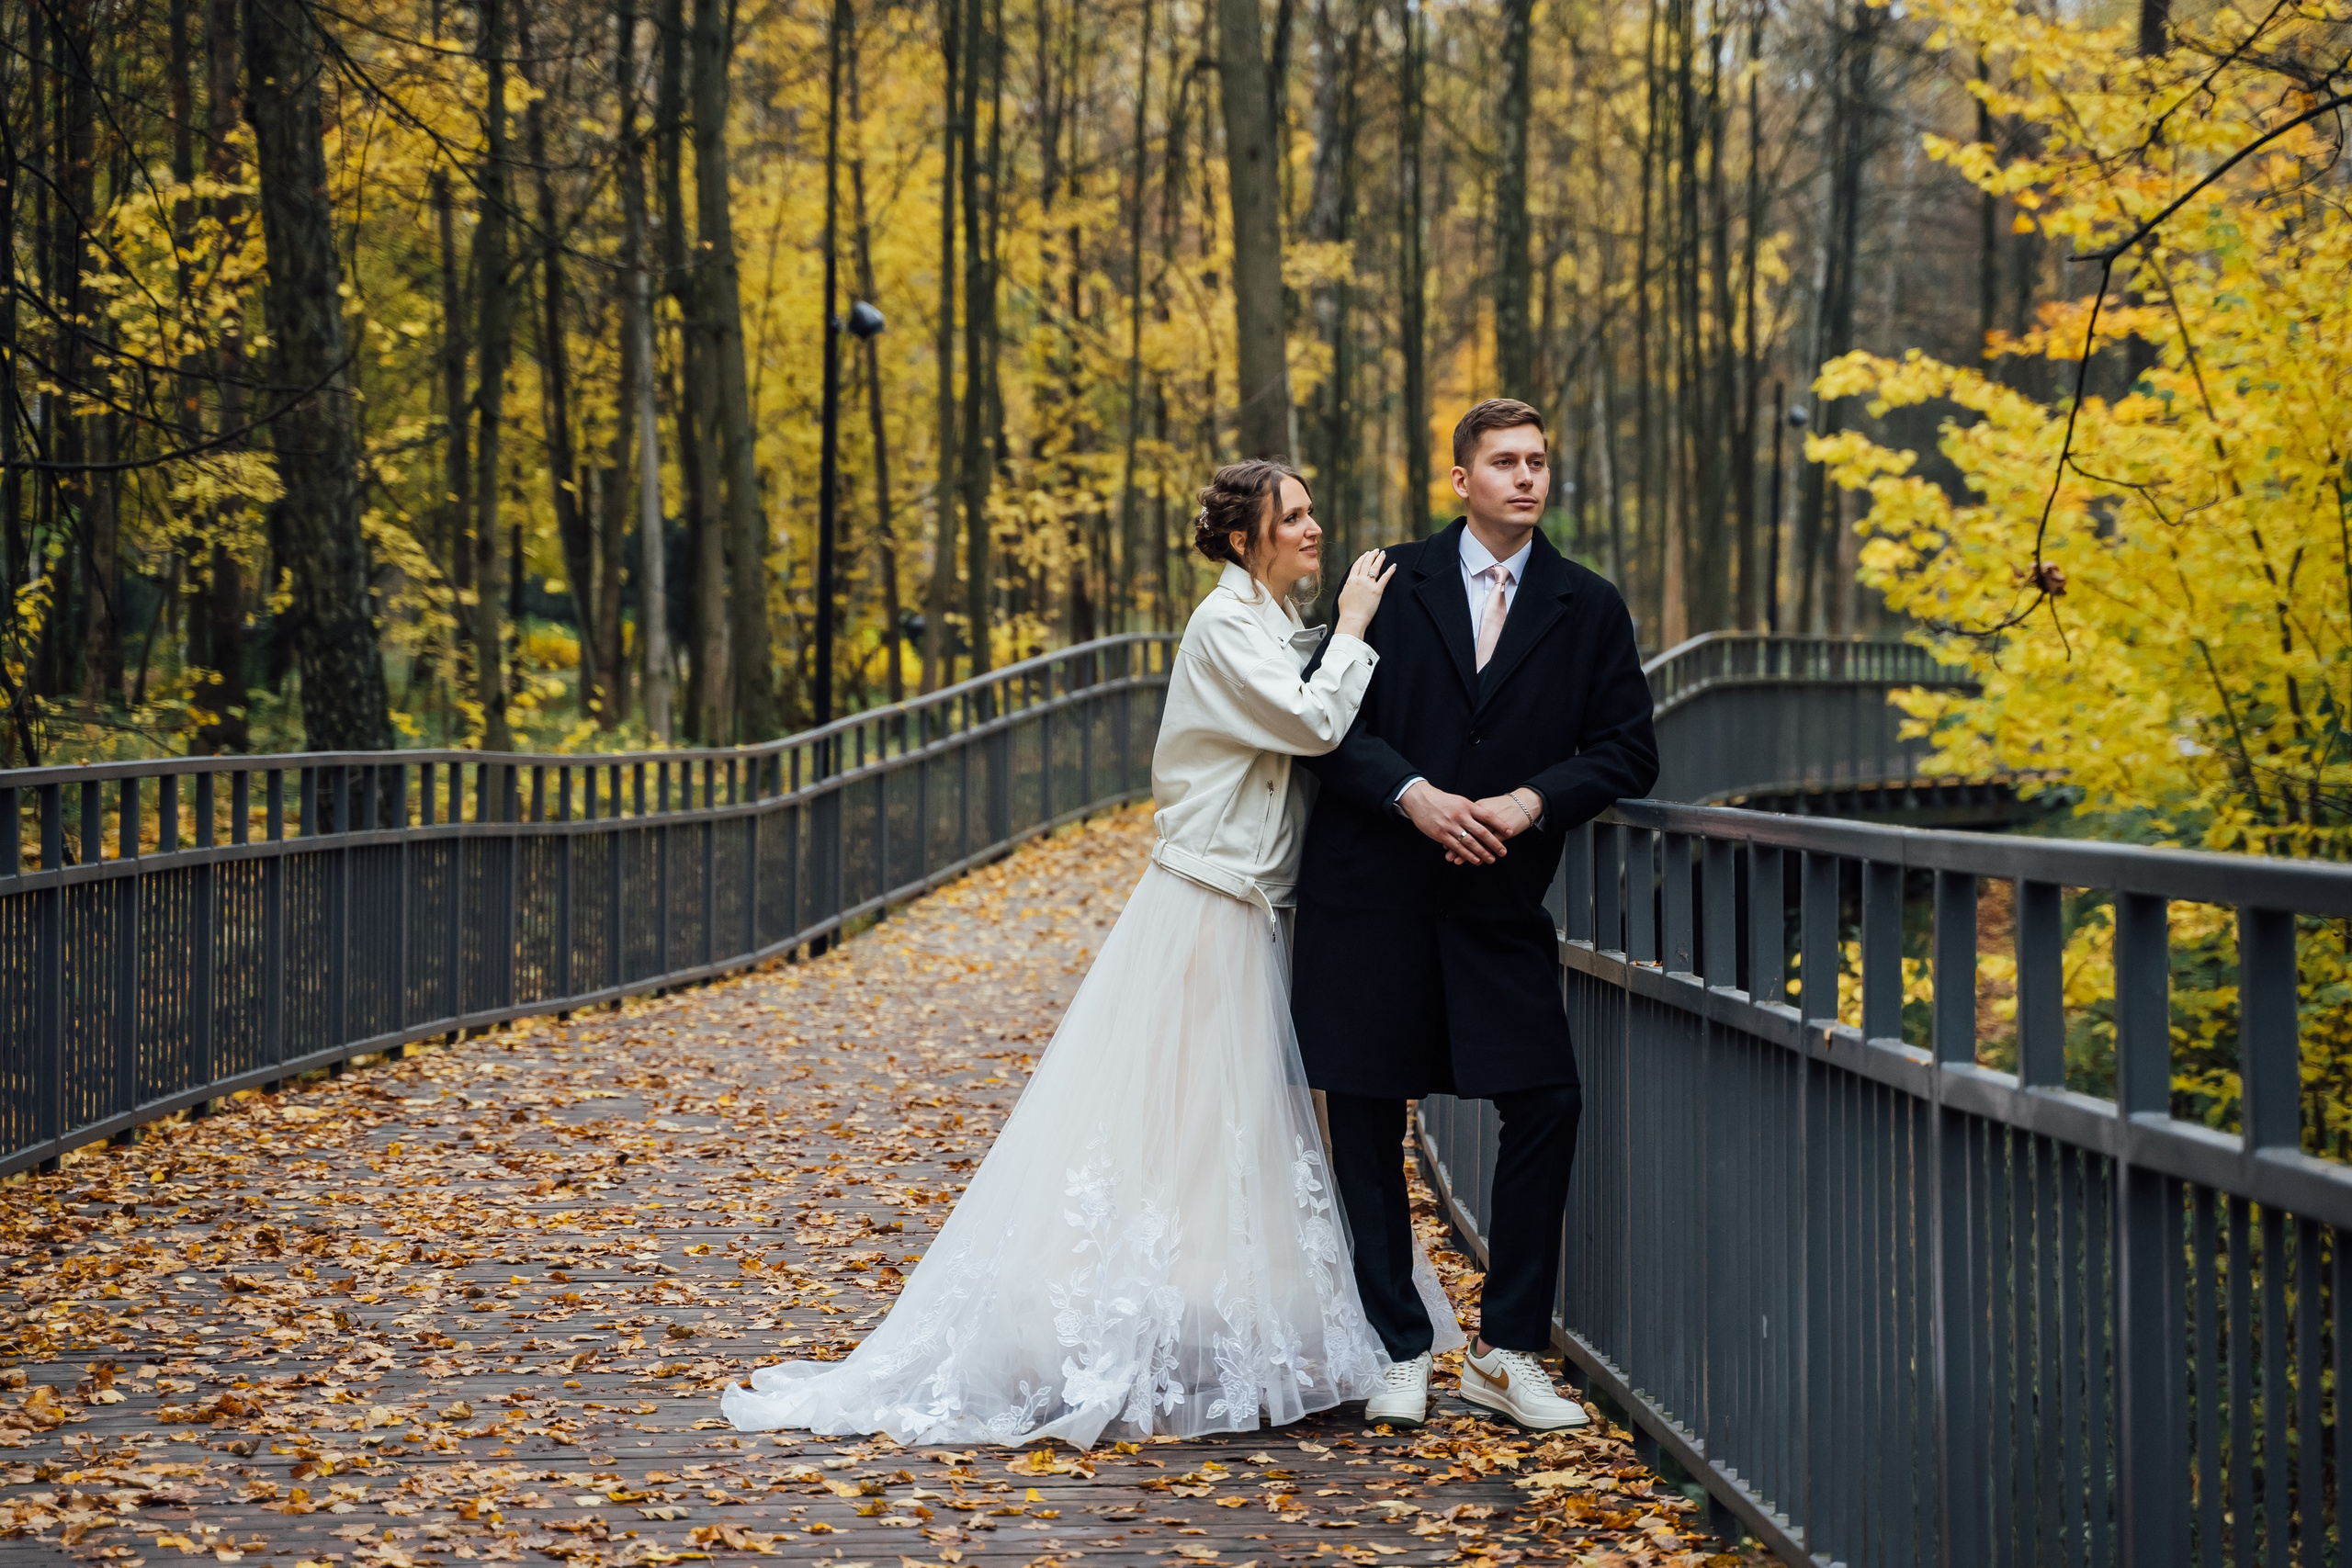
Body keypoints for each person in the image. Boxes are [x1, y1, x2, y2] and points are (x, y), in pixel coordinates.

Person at [721, 459, 1461, 1448]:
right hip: (1207, 905)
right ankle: (1134, 1330)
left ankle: (1224, 1327)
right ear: (1246, 540)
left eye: (1312, 513)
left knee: (1227, 1132)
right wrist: (1361, 627)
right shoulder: (1223, 626)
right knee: (1185, 1122)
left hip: (1255, 904)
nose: (1315, 529)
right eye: (1294, 516)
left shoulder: (1269, 624)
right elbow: (1315, 723)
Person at [1293, 398, 1659, 1431]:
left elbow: (1629, 749)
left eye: (1538, 461)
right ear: (1461, 479)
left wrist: (1530, 798)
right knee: (1364, 1111)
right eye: (1504, 461)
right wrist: (1413, 795)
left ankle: (1504, 1351)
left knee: (1545, 1100)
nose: (1526, 477)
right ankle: (1399, 1346)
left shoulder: (1587, 607)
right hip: (1371, 894)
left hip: (1498, 897)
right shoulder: (1387, 584)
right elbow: (1321, 719)